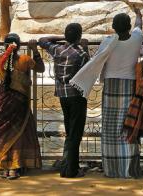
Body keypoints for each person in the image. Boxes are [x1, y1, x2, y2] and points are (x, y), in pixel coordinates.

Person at [0, 33, 44, 179]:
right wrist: (35, 50)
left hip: (2, 103)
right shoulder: (25, 60)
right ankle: (15, 167)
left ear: (4, 46)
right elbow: (40, 68)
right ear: (19, 46)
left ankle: (5, 167)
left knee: (4, 135)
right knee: (18, 134)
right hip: (19, 103)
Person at [38, 23, 89, 178]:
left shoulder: (57, 50)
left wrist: (62, 37)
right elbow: (89, 67)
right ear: (79, 37)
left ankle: (69, 165)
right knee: (75, 133)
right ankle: (70, 170)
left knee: (70, 131)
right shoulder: (81, 53)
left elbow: (42, 39)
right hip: (77, 95)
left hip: (62, 95)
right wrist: (85, 47)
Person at [100, 8, 143, 178]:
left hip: (111, 85)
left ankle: (111, 168)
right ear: (128, 27)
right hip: (129, 85)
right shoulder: (136, 39)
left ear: (113, 27)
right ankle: (128, 167)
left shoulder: (108, 42)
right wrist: (138, 14)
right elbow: (139, 26)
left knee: (110, 127)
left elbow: (99, 61)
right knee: (127, 125)